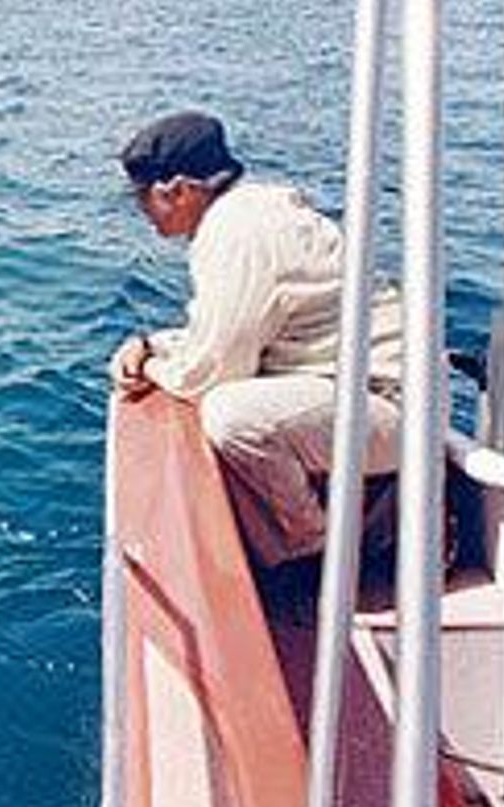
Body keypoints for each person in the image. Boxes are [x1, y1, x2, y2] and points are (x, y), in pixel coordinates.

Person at [109, 110, 404, 573]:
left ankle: (315, 553)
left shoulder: (235, 234)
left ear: (180, 190)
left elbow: (209, 374)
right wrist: (152, 344)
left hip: (387, 404)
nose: (142, 211)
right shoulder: (250, 212)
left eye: (144, 198)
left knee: (231, 415)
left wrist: (146, 368)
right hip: (370, 394)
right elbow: (236, 329)